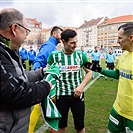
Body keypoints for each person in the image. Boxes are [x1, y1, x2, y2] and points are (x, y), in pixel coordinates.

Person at [0, 8, 51, 133]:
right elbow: (16, 92)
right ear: (14, 29)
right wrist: (46, 87)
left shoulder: (9, 50)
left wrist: (41, 72)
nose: (26, 37)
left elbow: (19, 77)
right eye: (26, 32)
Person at [83, 22, 133, 133]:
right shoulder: (123, 56)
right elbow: (117, 74)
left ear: (131, 38)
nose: (117, 41)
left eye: (120, 38)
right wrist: (98, 69)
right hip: (118, 108)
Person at [47, 29, 92, 133]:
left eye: (76, 42)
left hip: (77, 95)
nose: (75, 45)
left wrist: (82, 86)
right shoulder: (54, 56)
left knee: (80, 126)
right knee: (61, 125)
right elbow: (49, 75)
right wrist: (51, 94)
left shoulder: (81, 55)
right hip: (61, 96)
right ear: (63, 41)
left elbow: (90, 72)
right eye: (72, 42)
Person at [29, 26, 63, 133]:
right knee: (40, 108)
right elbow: (38, 61)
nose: (61, 37)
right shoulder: (49, 46)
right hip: (45, 82)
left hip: (48, 82)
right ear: (54, 34)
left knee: (43, 108)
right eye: (60, 34)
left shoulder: (52, 46)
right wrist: (37, 76)